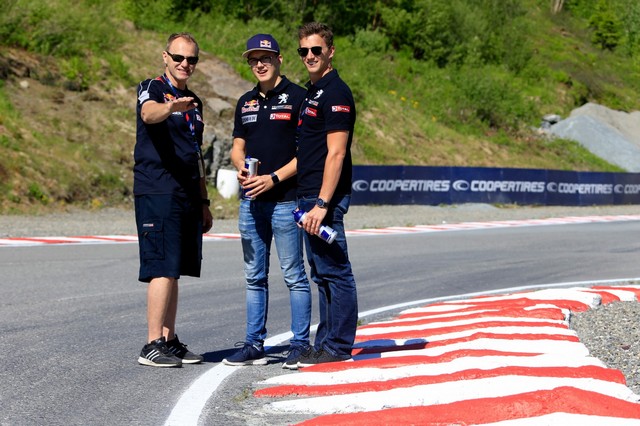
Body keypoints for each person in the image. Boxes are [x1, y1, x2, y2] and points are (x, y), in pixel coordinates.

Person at [222, 34, 311, 369]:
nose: (259, 64)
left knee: (294, 275)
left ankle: (300, 344)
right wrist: (242, 170)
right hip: (251, 202)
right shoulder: (245, 101)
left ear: (279, 60)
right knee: (254, 276)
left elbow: (307, 154)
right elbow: (237, 147)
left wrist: (273, 178)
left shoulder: (299, 97)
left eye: (266, 58)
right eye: (253, 59)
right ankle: (253, 344)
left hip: (287, 201)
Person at [134, 32, 213, 368]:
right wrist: (170, 107)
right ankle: (151, 343)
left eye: (191, 59)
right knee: (162, 266)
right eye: (179, 58)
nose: (185, 64)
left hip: (186, 193)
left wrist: (204, 200)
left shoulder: (194, 101)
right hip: (157, 189)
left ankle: (168, 338)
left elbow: (196, 156)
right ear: (165, 57)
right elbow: (148, 115)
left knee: (176, 268)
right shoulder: (152, 88)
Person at [293, 22, 359, 367]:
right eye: (303, 51)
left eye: (316, 50)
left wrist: (322, 203)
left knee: (335, 271)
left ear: (330, 51)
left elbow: (336, 153)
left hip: (323, 201)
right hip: (308, 197)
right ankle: (327, 342)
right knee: (320, 273)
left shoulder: (336, 92)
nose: (309, 56)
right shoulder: (313, 92)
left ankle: (339, 346)